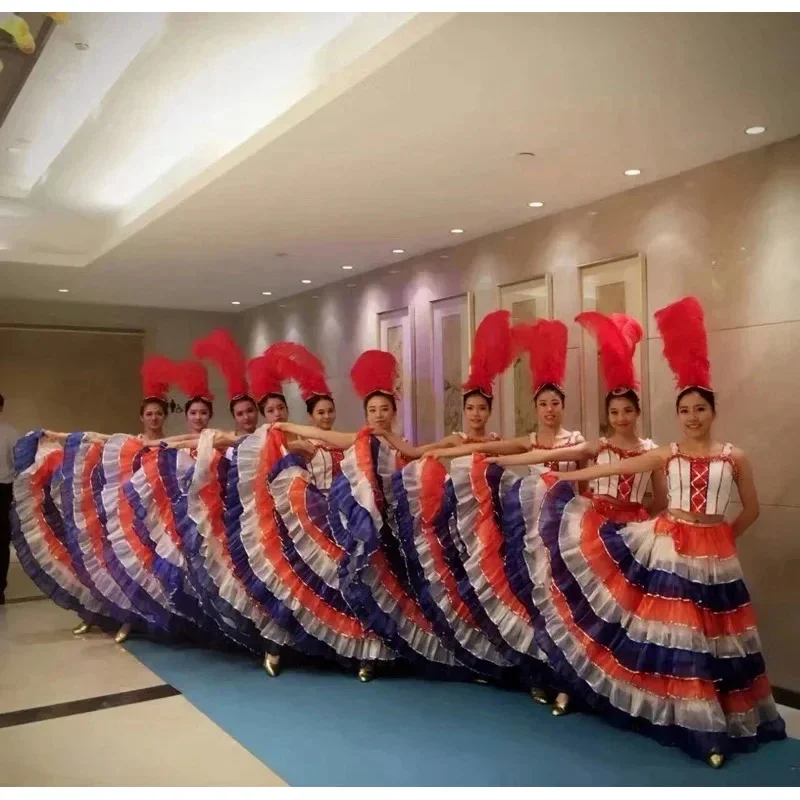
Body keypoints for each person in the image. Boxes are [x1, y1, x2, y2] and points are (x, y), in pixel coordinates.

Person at [532, 297, 785, 765]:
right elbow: (619, 470)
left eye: (698, 409)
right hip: (671, 544)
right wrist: (564, 476)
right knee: (679, 635)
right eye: (684, 409)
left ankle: (721, 718)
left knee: (717, 636)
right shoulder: (666, 453)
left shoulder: (735, 456)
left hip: (716, 552)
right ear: (677, 414)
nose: (691, 416)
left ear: (712, 410)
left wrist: (724, 539)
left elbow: (750, 509)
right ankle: (692, 724)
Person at [487, 311, 667, 715]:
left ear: (636, 412)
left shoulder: (651, 449)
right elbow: (546, 457)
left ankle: (619, 689)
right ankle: (572, 682)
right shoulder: (595, 446)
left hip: (631, 535)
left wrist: (637, 524)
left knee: (626, 612)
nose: (621, 418)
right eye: (615, 412)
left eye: (627, 411)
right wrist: (486, 454)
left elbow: (659, 499)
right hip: (589, 532)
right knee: (577, 608)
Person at [378, 310, 516, 460]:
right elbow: (416, 452)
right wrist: (386, 434)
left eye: (482, 408)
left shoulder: (495, 442)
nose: (475, 414)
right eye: (470, 408)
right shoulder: (456, 440)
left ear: (490, 411)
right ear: (464, 410)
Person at [0, 393, 19, 604]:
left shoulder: (10, 433)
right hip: (3, 490)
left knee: (1, 541)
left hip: (3, 490)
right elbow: (18, 465)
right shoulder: (11, 433)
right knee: (1, 541)